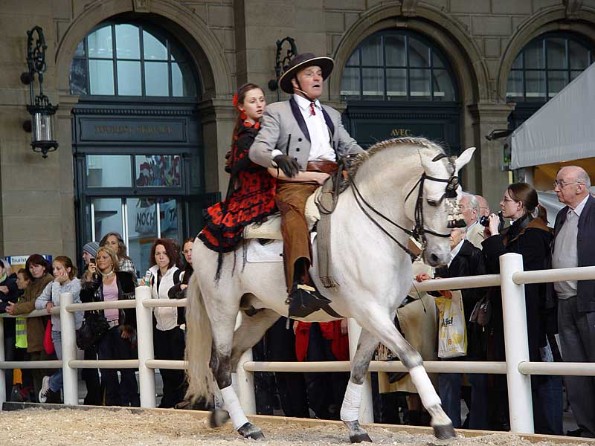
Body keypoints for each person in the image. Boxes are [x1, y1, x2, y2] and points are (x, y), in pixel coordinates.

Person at [249, 52, 364, 316]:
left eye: (319, 74)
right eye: (310, 73)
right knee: (294, 214)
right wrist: (279, 156)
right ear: (295, 82)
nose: (317, 78)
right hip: (297, 180)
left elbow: (349, 146)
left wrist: (372, 159)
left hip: (335, 177)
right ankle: (300, 284)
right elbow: (258, 151)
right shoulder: (277, 111)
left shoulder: (332, 115)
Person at [482, 182, 562, 435]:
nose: (501, 204)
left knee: (536, 373)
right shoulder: (516, 231)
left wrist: (494, 238)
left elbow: (508, 266)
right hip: (514, 314)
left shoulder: (535, 233)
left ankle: (545, 430)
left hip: (531, 316)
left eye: (506, 200)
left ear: (520, 204)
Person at [199, 83, 276, 271]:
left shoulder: (268, 128)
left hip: (274, 188)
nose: (259, 104)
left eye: (261, 100)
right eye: (252, 101)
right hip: (256, 196)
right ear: (242, 107)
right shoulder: (245, 136)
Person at [551, 166, 595, 438]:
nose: (556, 188)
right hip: (564, 300)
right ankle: (588, 427)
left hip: (590, 300)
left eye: (560, 183)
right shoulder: (561, 217)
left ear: (580, 186)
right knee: (574, 371)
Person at [431, 227, 489, 429]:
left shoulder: (474, 253)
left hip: (470, 324)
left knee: (476, 377)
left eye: (452, 229)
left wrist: (449, 290)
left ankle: (478, 424)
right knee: (448, 375)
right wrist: (432, 285)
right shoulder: (444, 256)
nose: (447, 233)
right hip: (450, 322)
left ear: (464, 233)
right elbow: (438, 291)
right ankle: (450, 423)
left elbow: (482, 290)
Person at [80, 246, 139, 406]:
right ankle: (114, 403)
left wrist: (129, 327)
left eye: (104, 257)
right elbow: (84, 299)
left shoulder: (125, 277)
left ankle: (132, 401)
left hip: (120, 327)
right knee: (106, 370)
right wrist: (90, 278)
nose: (100, 260)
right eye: (98, 258)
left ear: (112, 259)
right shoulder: (95, 280)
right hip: (102, 330)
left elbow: (132, 304)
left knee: (127, 368)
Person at [6, 254, 54, 401]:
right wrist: (18, 307)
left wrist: (17, 308)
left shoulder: (49, 281)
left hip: (45, 331)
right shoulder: (33, 284)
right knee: (36, 371)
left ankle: (50, 401)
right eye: (31, 267)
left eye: (36, 266)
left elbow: (35, 302)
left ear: (44, 267)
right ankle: (41, 403)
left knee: (46, 370)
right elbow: (27, 301)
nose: (33, 270)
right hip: (33, 334)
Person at [36, 256, 83, 404]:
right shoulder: (52, 285)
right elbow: (38, 302)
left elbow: (61, 301)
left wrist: (56, 285)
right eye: (54, 269)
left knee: (76, 365)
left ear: (68, 269)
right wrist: (46, 303)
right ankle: (67, 400)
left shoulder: (76, 284)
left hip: (76, 330)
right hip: (58, 331)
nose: (55, 272)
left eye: (59, 268)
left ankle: (51, 383)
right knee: (66, 365)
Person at [145, 238, 185, 408]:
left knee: (178, 365)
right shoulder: (150, 274)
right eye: (157, 253)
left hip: (175, 326)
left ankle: (180, 398)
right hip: (158, 326)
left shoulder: (178, 273)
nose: (161, 257)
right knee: (163, 365)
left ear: (171, 255)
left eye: (164, 253)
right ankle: (168, 398)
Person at [80, 241, 102, 405]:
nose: (84, 257)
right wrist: (88, 277)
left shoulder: (105, 273)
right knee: (89, 366)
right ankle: (93, 396)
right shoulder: (86, 273)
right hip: (90, 322)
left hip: (102, 322)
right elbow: (84, 297)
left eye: (86, 253)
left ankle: (100, 396)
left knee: (101, 364)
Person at [0, 258, 19, 398]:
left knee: (7, 363)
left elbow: (14, 301)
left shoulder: (12, 283)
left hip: (9, 331)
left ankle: (5, 396)